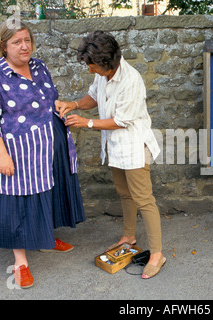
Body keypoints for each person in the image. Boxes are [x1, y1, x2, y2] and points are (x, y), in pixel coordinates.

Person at [0, 21, 85, 288]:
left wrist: (58, 106)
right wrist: (1, 156)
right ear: (3, 45)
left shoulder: (39, 66)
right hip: (16, 152)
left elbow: (50, 98)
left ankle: (44, 237)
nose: (24, 46)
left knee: (49, 193)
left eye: (27, 40)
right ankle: (20, 262)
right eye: (16, 42)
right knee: (18, 205)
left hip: (49, 144)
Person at [55, 30, 165, 279]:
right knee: (124, 193)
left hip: (135, 146)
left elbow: (122, 120)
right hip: (116, 147)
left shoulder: (132, 80)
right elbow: (94, 96)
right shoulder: (103, 75)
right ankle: (129, 235)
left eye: (93, 66)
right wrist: (73, 104)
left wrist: (86, 123)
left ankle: (157, 254)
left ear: (107, 63)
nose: (90, 70)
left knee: (144, 199)